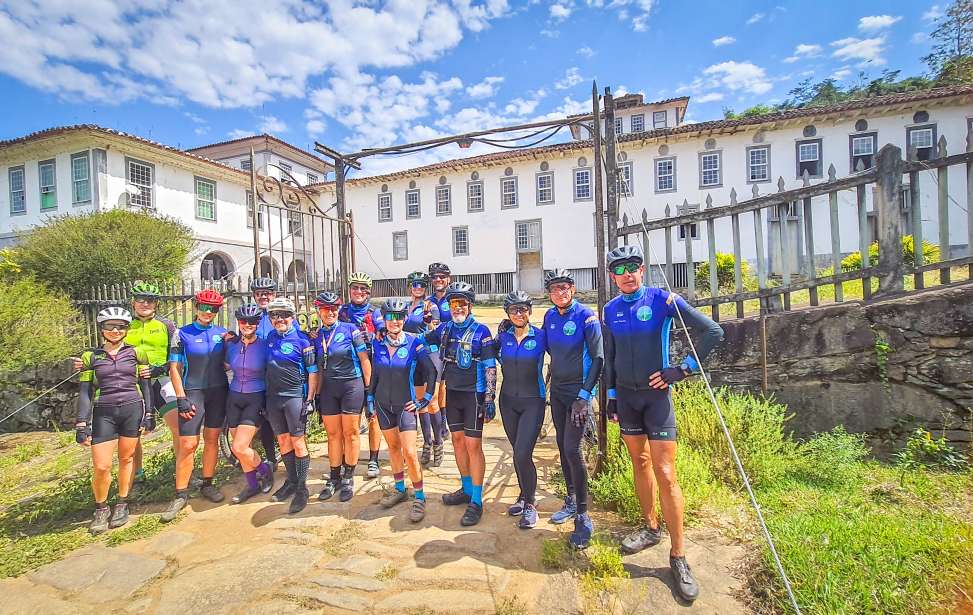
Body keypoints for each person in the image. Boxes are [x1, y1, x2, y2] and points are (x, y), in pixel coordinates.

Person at [602, 245, 724, 602]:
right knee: (639, 464)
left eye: (632, 267)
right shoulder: (610, 309)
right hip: (626, 399)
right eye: (619, 269)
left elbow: (713, 332)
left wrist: (681, 370)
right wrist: (610, 396)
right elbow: (610, 357)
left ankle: (678, 555)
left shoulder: (662, 300)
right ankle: (650, 527)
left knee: (666, 472)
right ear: (612, 276)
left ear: (642, 270)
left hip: (656, 400)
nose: (626, 273)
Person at [74, 281, 175, 484]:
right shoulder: (125, 323)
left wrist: (161, 368)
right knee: (134, 432)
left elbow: (177, 353)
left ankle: (181, 469)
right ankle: (137, 474)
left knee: (179, 425)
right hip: (132, 383)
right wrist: (87, 360)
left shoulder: (166, 325)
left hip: (160, 379)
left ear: (156, 303)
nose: (145, 303)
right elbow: (109, 347)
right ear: (133, 302)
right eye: (140, 299)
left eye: (150, 300)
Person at [420, 281, 497, 526]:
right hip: (452, 393)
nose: (458, 308)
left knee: (473, 446)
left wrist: (489, 398)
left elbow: (489, 366)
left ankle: (476, 499)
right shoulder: (445, 329)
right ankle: (465, 488)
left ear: (470, 306)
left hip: (474, 395)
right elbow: (422, 338)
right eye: (454, 304)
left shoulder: (481, 331)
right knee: (457, 442)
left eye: (462, 303)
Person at [75, 307, 154, 534]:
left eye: (121, 326)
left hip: (131, 407)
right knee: (101, 465)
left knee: (127, 458)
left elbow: (146, 386)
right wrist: (82, 423)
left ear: (127, 329)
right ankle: (101, 508)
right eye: (110, 326)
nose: (116, 330)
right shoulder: (91, 357)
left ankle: (122, 503)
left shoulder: (137, 353)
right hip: (104, 411)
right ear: (102, 329)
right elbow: (85, 392)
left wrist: (149, 414)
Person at [541, 268, 604, 549]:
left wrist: (585, 394)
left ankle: (583, 513)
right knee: (560, 444)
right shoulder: (550, 316)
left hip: (579, 392)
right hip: (558, 391)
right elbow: (542, 345)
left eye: (564, 287)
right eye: (555, 289)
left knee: (572, 449)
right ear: (550, 293)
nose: (560, 293)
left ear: (573, 289)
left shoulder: (586, 316)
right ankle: (569, 499)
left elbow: (599, 358)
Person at [163, 289, 229, 522]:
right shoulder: (182, 334)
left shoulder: (223, 334)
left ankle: (208, 483)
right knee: (188, 444)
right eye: (204, 307)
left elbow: (230, 362)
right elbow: (174, 368)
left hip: (219, 392)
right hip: (193, 393)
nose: (208, 312)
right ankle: (180, 494)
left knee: (212, 439)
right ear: (196, 308)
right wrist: (180, 398)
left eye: (213, 309)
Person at [370, 298, 437, 522]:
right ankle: (400, 489)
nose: (394, 321)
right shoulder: (377, 343)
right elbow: (375, 376)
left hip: (405, 405)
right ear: (385, 319)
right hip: (383, 404)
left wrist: (425, 398)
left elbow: (431, 371)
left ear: (404, 318)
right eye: (390, 317)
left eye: (398, 317)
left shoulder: (414, 342)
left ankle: (419, 496)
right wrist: (370, 399)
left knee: (409, 452)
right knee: (393, 448)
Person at [312, 291, 372, 503]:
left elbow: (365, 360)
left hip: (351, 385)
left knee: (351, 433)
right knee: (333, 434)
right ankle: (334, 476)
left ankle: (348, 477)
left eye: (334, 308)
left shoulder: (350, 330)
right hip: (329, 388)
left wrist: (369, 391)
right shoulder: (317, 336)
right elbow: (318, 367)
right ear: (319, 311)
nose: (330, 312)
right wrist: (316, 396)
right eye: (326, 308)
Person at [495, 291, 547, 529]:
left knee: (522, 454)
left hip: (532, 402)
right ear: (507, 313)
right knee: (517, 452)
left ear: (530, 311)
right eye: (514, 310)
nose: (519, 313)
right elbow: (483, 355)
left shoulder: (541, 336)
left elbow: (567, 356)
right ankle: (524, 495)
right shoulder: (502, 338)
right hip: (507, 402)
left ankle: (530, 505)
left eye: (523, 309)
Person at [263, 297, 318, 514]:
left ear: (292, 317)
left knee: (298, 442)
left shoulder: (303, 341)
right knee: (283, 441)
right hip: (273, 398)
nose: (279, 319)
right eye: (274, 315)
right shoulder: (269, 337)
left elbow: (313, 372)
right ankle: (292, 481)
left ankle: (302, 488)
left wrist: (310, 399)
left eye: (284, 315)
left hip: (294, 397)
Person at [224, 303, 275, 504]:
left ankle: (265, 470)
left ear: (258, 323)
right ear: (238, 322)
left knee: (239, 447)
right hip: (234, 397)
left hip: (255, 397)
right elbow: (223, 364)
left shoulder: (265, 346)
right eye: (244, 321)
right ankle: (252, 485)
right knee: (240, 450)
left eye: (252, 321)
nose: (248, 324)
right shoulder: (231, 345)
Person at [338, 272, 385, 480]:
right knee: (351, 418)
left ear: (368, 292)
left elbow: (383, 328)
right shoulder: (342, 312)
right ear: (349, 290)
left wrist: (379, 332)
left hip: (373, 368)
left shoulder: (375, 312)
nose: (358, 292)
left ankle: (374, 459)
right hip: (349, 370)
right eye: (355, 288)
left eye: (363, 289)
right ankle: (347, 460)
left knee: (373, 415)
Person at [249, 276, 298, 470]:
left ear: (274, 294)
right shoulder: (252, 315)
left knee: (288, 424)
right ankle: (271, 458)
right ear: (254, 296)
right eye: (259, 294)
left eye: (267, 293)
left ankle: (293, 462)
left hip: (283, 377)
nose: (263, 297)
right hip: (260, 375)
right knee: (266, 419)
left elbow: (296, 338)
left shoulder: (282, 313)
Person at [403, 270, 443, 467]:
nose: (418, 288)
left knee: (432, 402)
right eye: (414, 284)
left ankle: (438, 442)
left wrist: (429, 324)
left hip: (429, 355)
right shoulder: (405, 307)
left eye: (421, 284)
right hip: (413, 358)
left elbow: (435, 331)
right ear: (409, 286)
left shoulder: (430, 306)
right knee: (420, 402)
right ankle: (426, 443)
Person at [426, 262, 452, 445]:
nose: (438, 280)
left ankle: (445, 420)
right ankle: (441, 421)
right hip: (434, 348)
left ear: (448, 279)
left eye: (442, 276)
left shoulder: (454, 297)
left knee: (445, 387)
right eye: (435, 277)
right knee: (438, 386)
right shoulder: (428, 301)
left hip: (451, 346)